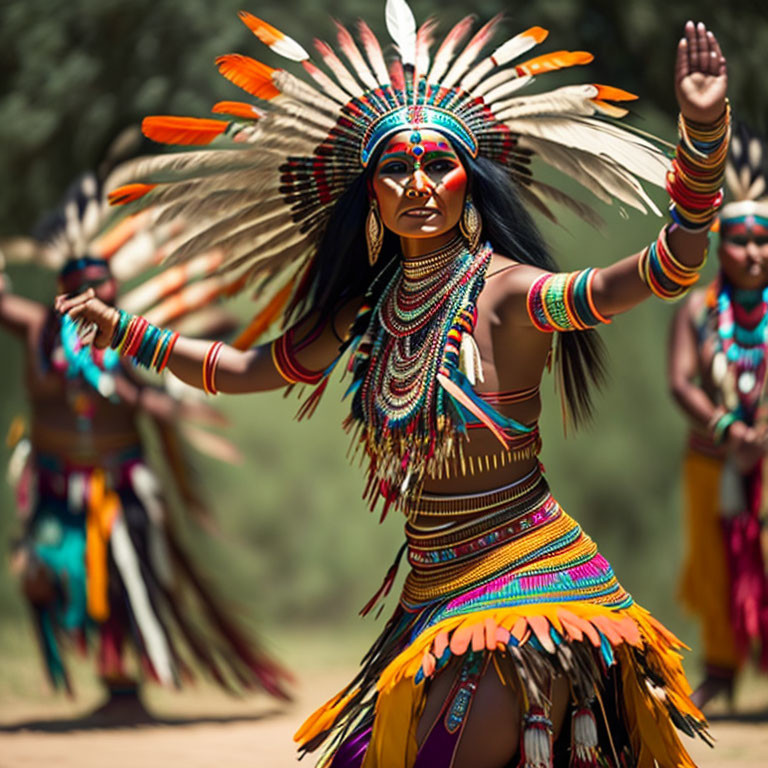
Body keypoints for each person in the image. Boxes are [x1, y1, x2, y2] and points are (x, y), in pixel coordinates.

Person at [58, 2, 726, 764]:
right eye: (395, 168)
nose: (418, 183)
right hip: (430, 596)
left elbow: (660, 271)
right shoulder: (368, 309)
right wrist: (127, 332)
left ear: (467, 184)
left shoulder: (507, 293)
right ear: (371, 194)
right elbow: (248, 369)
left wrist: (702, 146)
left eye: (438, 164)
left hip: (528, 588)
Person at [0, 173, 291, 713]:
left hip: (120, 479)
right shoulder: (39, 327)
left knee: (125, 580)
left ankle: (122, 686)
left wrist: (155, 403)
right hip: (56, 480)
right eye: (80, 283)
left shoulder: (127, 339)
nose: (93, 293)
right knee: (43, 572)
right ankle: (109, 678)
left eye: (101, 283)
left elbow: (159, 394)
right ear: (63, 289)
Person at [669, 123, 768, 710]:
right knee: (711, 567)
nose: (754, 252)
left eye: (764, 240)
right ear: (719, 245)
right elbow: (681, 382)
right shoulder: (698, 311)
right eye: (740, 240)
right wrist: (729, 429)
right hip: (712, 460)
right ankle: (721, 672)